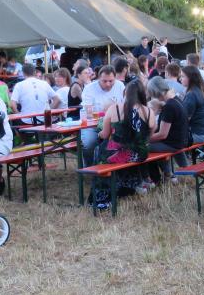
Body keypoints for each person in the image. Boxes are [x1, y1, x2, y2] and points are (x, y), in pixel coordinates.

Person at [90, 79, 156, 209]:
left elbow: (105, 134)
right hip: (140, 155)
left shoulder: (115, 108)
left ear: (126, 93)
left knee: (99, 150)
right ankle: (129, 185)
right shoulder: (149, 111)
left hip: (120, 154)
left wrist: (99, 134)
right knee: (120, 150)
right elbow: (149, 135)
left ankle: (102, 197)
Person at [146, 77, 190, 183]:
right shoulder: (177, 100)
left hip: (173, 143)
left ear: (156, 92)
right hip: (181, 140)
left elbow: (162, 135)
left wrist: (145, 139)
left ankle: (161, 176)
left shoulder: (169, 106)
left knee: (142, 148)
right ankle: (171, 174)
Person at [80, 65, 125, 166]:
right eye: (104, 81)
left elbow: (125, 106)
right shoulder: (89, 88)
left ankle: (113, 168)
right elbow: (88, 112)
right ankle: (89, 167)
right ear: (98, 78)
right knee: (89, 143)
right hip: (92, 125)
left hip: (115, 124)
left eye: (111, 81)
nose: (108, 84)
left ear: (115, 78)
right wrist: (106, 112)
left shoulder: (120, 86)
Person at [181, 65, 204, 144]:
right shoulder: (201, 89)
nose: (180, 79)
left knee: (169, 138)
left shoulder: (191, 94)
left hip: (199, 135)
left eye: (183, 76)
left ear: (190, 78)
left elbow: (184, 119)